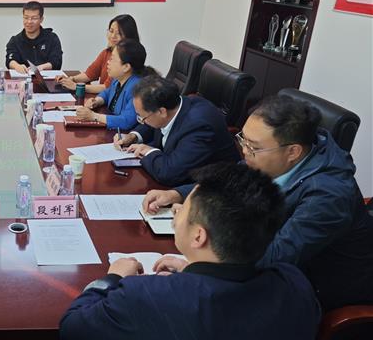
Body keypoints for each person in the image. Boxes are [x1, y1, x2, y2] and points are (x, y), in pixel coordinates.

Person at [59, 163, 320, 340]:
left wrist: (112, 277)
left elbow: (74, 330)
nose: (177, 212)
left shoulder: (150, 298)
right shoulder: (294, 284)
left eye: (184, 208)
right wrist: (195, 272)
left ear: (198, 236)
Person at [143, 95, 373, 310]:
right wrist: (178, 194)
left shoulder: (328, 196)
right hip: (267, 264)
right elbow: (234, 180)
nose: (244, 152)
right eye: (243, 139)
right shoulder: (277, 159)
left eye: (253, 147)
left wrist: (201, 267)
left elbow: (277, 255)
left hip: (316, 289)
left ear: (293, 152)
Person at [113, 76, 239, 185]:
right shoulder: (174, 105)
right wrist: (134, 136)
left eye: (141, 117)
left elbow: (168, 174)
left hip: (211, 188)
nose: (142, 121)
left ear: (161, 112)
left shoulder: (199, 126)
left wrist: (148, 151)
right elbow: (151, 123)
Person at [74, 39, 157, 130]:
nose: (108, 62)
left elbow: (126, 121)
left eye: (112, 59)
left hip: (125, 135)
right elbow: (108, 92)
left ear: (126, 67)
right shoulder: (118, 79)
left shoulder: (137, 89)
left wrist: (94, 116)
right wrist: (97, 101)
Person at [57, 14, 139, 94]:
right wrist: (71, 79)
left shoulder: (128, 59)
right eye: (111, 31)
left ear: (129, 36)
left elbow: (108, 87)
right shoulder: (106, 52)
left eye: (119, 33)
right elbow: (90, 74)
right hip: (102, 99)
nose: (113, 36)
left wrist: (76, 86)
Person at [5, 0, 62, 72]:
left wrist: (41, 67)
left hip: (46, 77)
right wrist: (17, 66)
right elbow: (10, 60)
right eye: (26, 18)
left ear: (41, 19)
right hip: (23, 77)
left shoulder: (52, 38)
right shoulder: (15, 40)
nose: (29, 22)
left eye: (34, 18)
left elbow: (57, 61)